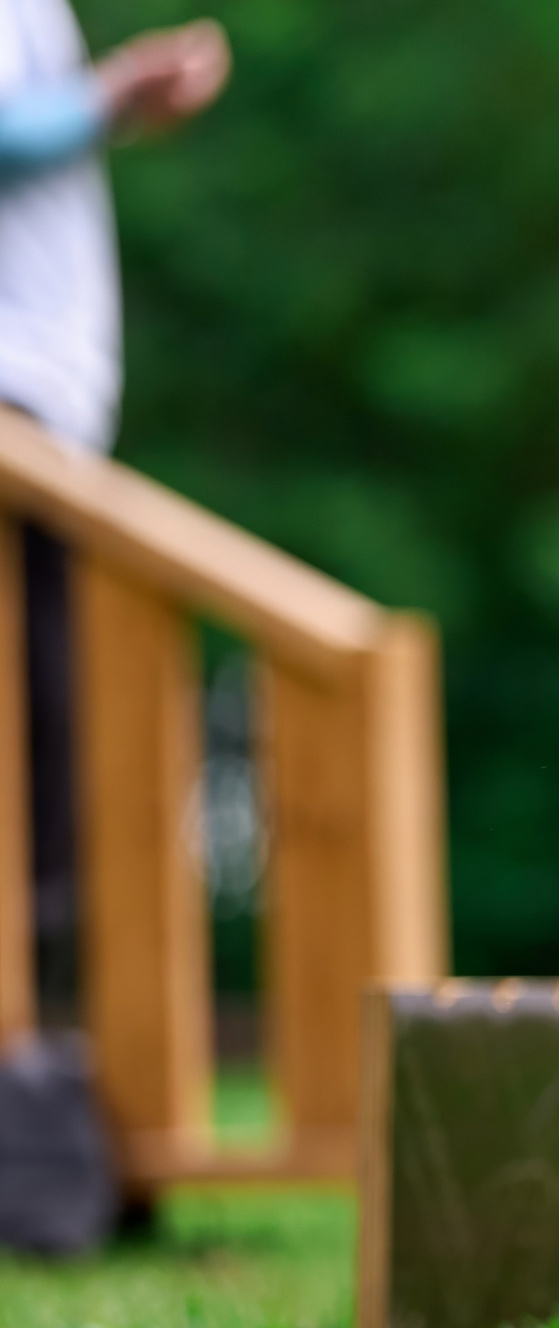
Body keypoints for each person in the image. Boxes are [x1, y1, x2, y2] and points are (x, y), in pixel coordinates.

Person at [0, 2, 227, 1253]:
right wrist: (110, 98)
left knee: (56, 786)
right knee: (36, 789)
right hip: (12, 422)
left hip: (48, 429)